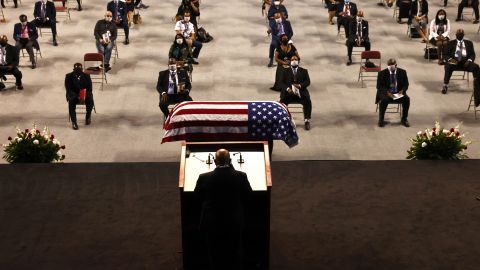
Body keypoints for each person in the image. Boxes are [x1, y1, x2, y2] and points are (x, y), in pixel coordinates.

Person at [194, 148, 252, 270]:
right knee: (235, 251)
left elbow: (197, 196)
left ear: (214, 161)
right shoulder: (240, 176)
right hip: (234, 221)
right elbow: (248, 195)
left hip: (211, 222)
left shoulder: (204, 177)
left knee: (214, 252)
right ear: (230, 160)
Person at [279, 55, 312, 130]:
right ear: (290, 61)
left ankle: (307, 120)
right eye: (292, 59)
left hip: (301, 94)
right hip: (289, 94)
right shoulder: (285, 71)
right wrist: (287, 89)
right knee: (282, 102)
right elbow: (281, 83)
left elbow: (308, 82)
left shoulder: (304, 71)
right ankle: (283, 120)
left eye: (295, 59)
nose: (294, 60)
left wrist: (300, 85)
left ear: (298, 61)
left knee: (307, 101)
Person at [442, 29, 480, 94]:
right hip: (454, 61)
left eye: (461, 34)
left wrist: (469, 60)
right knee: (448, 66)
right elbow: (445, 55)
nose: (460, 35)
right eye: (458, 34)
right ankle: (445, 85)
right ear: (456, 35)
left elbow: (472, 54)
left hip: (466, 62)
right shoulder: (450, 43)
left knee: (476, 67)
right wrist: (451, 60)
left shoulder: (469, 43)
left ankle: (476, 86)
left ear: (463, 35)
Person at [376, 58, 410, 127]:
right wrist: (387, 92)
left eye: (392, 65)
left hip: (398, 93)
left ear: (396, 65)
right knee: (384, 100)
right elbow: (379, 86)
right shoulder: (382, 73)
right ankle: (381, 119)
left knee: (406, 99)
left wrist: (402, 90)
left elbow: (406, 84)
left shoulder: (402, 72)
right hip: (386, 94)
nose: (390, 67)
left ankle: (404, 119)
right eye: (389, 65)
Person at [65, 63, 94, 130]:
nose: (78, 71)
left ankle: (88, 116)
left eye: (79, 70)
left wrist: (83, 95)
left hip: (84, 94)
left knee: (90, 99)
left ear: (82, 69)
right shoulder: (68, 76)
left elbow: (89, 89)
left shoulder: (87, 76)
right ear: (73, 69)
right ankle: (74, 122)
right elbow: (68, 89)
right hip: (73, 95)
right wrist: (77, 96)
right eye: (76, 70)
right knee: (71, 102)